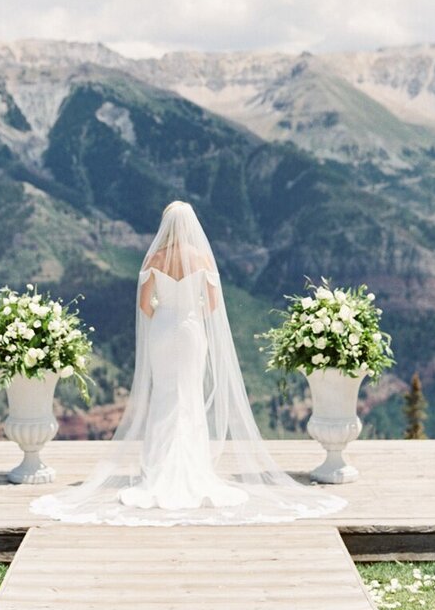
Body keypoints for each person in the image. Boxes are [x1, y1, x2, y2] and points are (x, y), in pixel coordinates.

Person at [30, 201, 346, 525]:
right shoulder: (201, 258)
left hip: (163, 330)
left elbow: (144, 304)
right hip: (192, 330)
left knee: (165, 395)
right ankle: (192, 470)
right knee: (190, 397)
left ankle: (159, 470)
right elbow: (211, 305)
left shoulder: (154, 258)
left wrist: (164, 315)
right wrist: (189, 313)